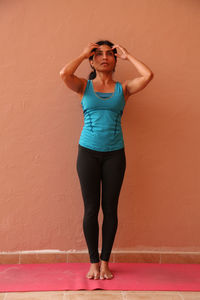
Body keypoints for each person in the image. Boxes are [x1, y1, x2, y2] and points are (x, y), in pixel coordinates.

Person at [60, 40, 154, 280]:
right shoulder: (83, 86)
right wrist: (82, 54)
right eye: (98, 54)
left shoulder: (124, 88)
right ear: (92, 61)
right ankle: (92, 262)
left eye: (109, 54)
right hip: (88, 153)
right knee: (91, 209)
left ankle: (105, 263)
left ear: (114, 60)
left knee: (110, 209)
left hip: (115, 154)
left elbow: (148, 75)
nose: (104, 57)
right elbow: (64, 73)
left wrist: (127, 55)